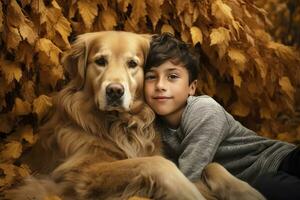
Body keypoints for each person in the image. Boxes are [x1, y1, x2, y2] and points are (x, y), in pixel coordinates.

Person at [143, 33, 300, 200]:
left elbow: (186, 179)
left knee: (270, 185)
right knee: (271, 187)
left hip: (279, 161)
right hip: (255, 185)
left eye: (172, 77)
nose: (160, 85)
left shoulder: (203, 110)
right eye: (151, 77)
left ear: (192, 87)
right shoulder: (149, 124)